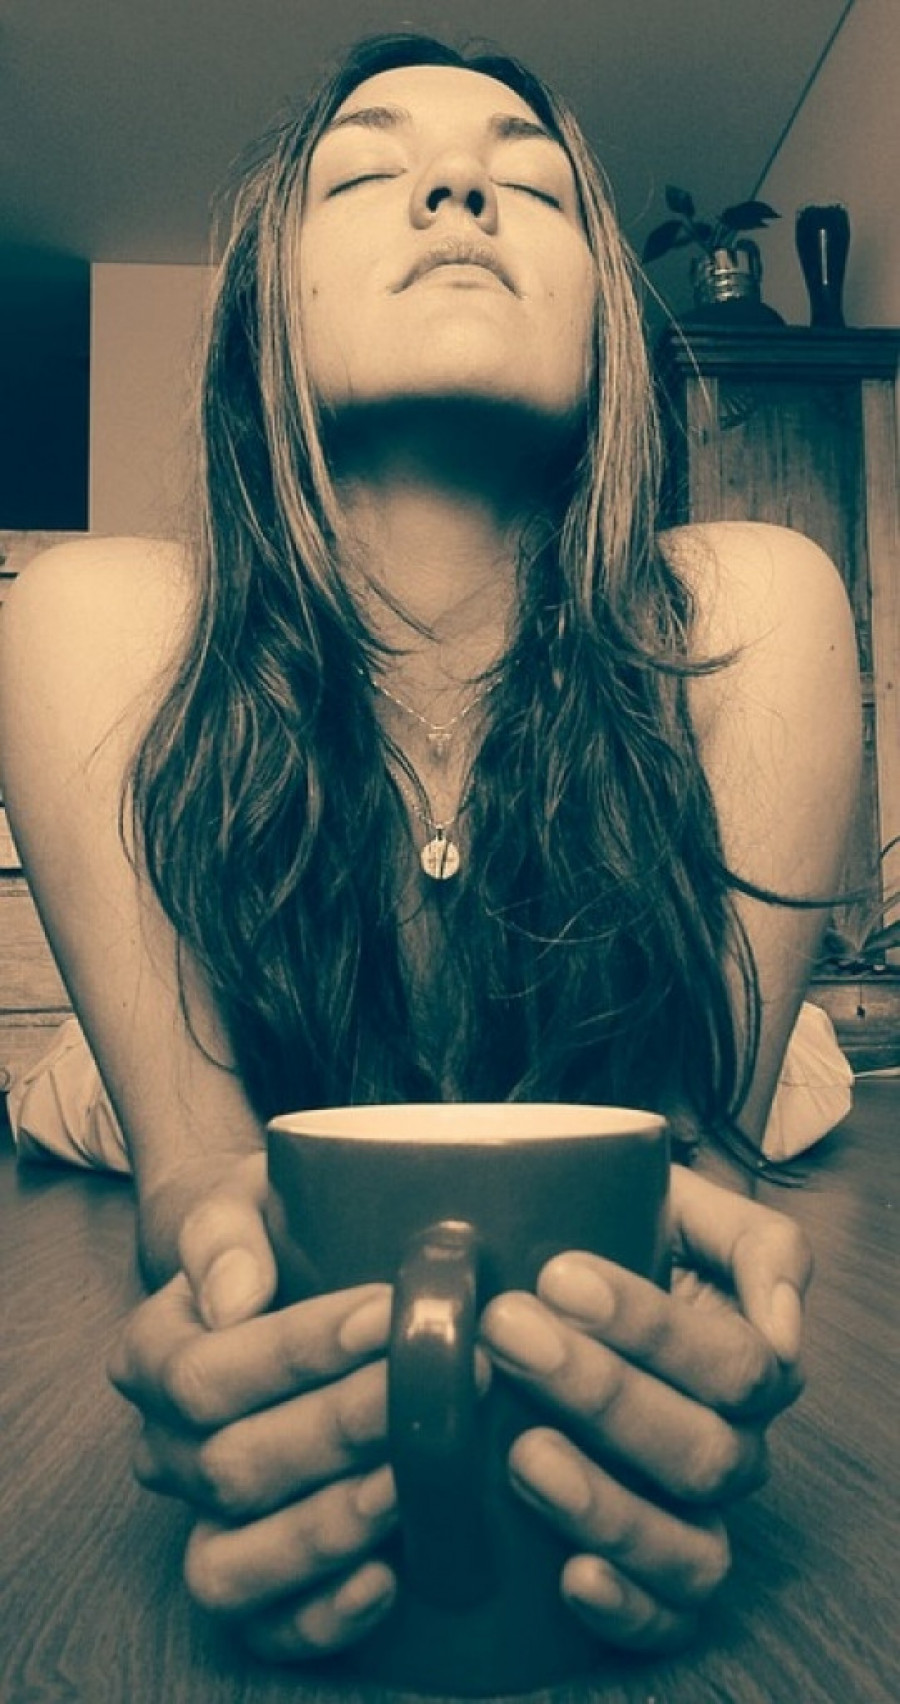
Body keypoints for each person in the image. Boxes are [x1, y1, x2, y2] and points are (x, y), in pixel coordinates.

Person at [0, 30, 861, 1667]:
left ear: (608, 319)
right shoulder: (96, 622)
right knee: (70, 1111)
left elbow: (691, 1175)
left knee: (813, 1073)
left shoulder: (753, 607)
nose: (462, 184)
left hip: (684, 1067)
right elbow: (198, 1179)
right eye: (367, 171)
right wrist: (228, 1298)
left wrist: (674, 1343)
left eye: (533, 182)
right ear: (261, 311)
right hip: (204, 1079)